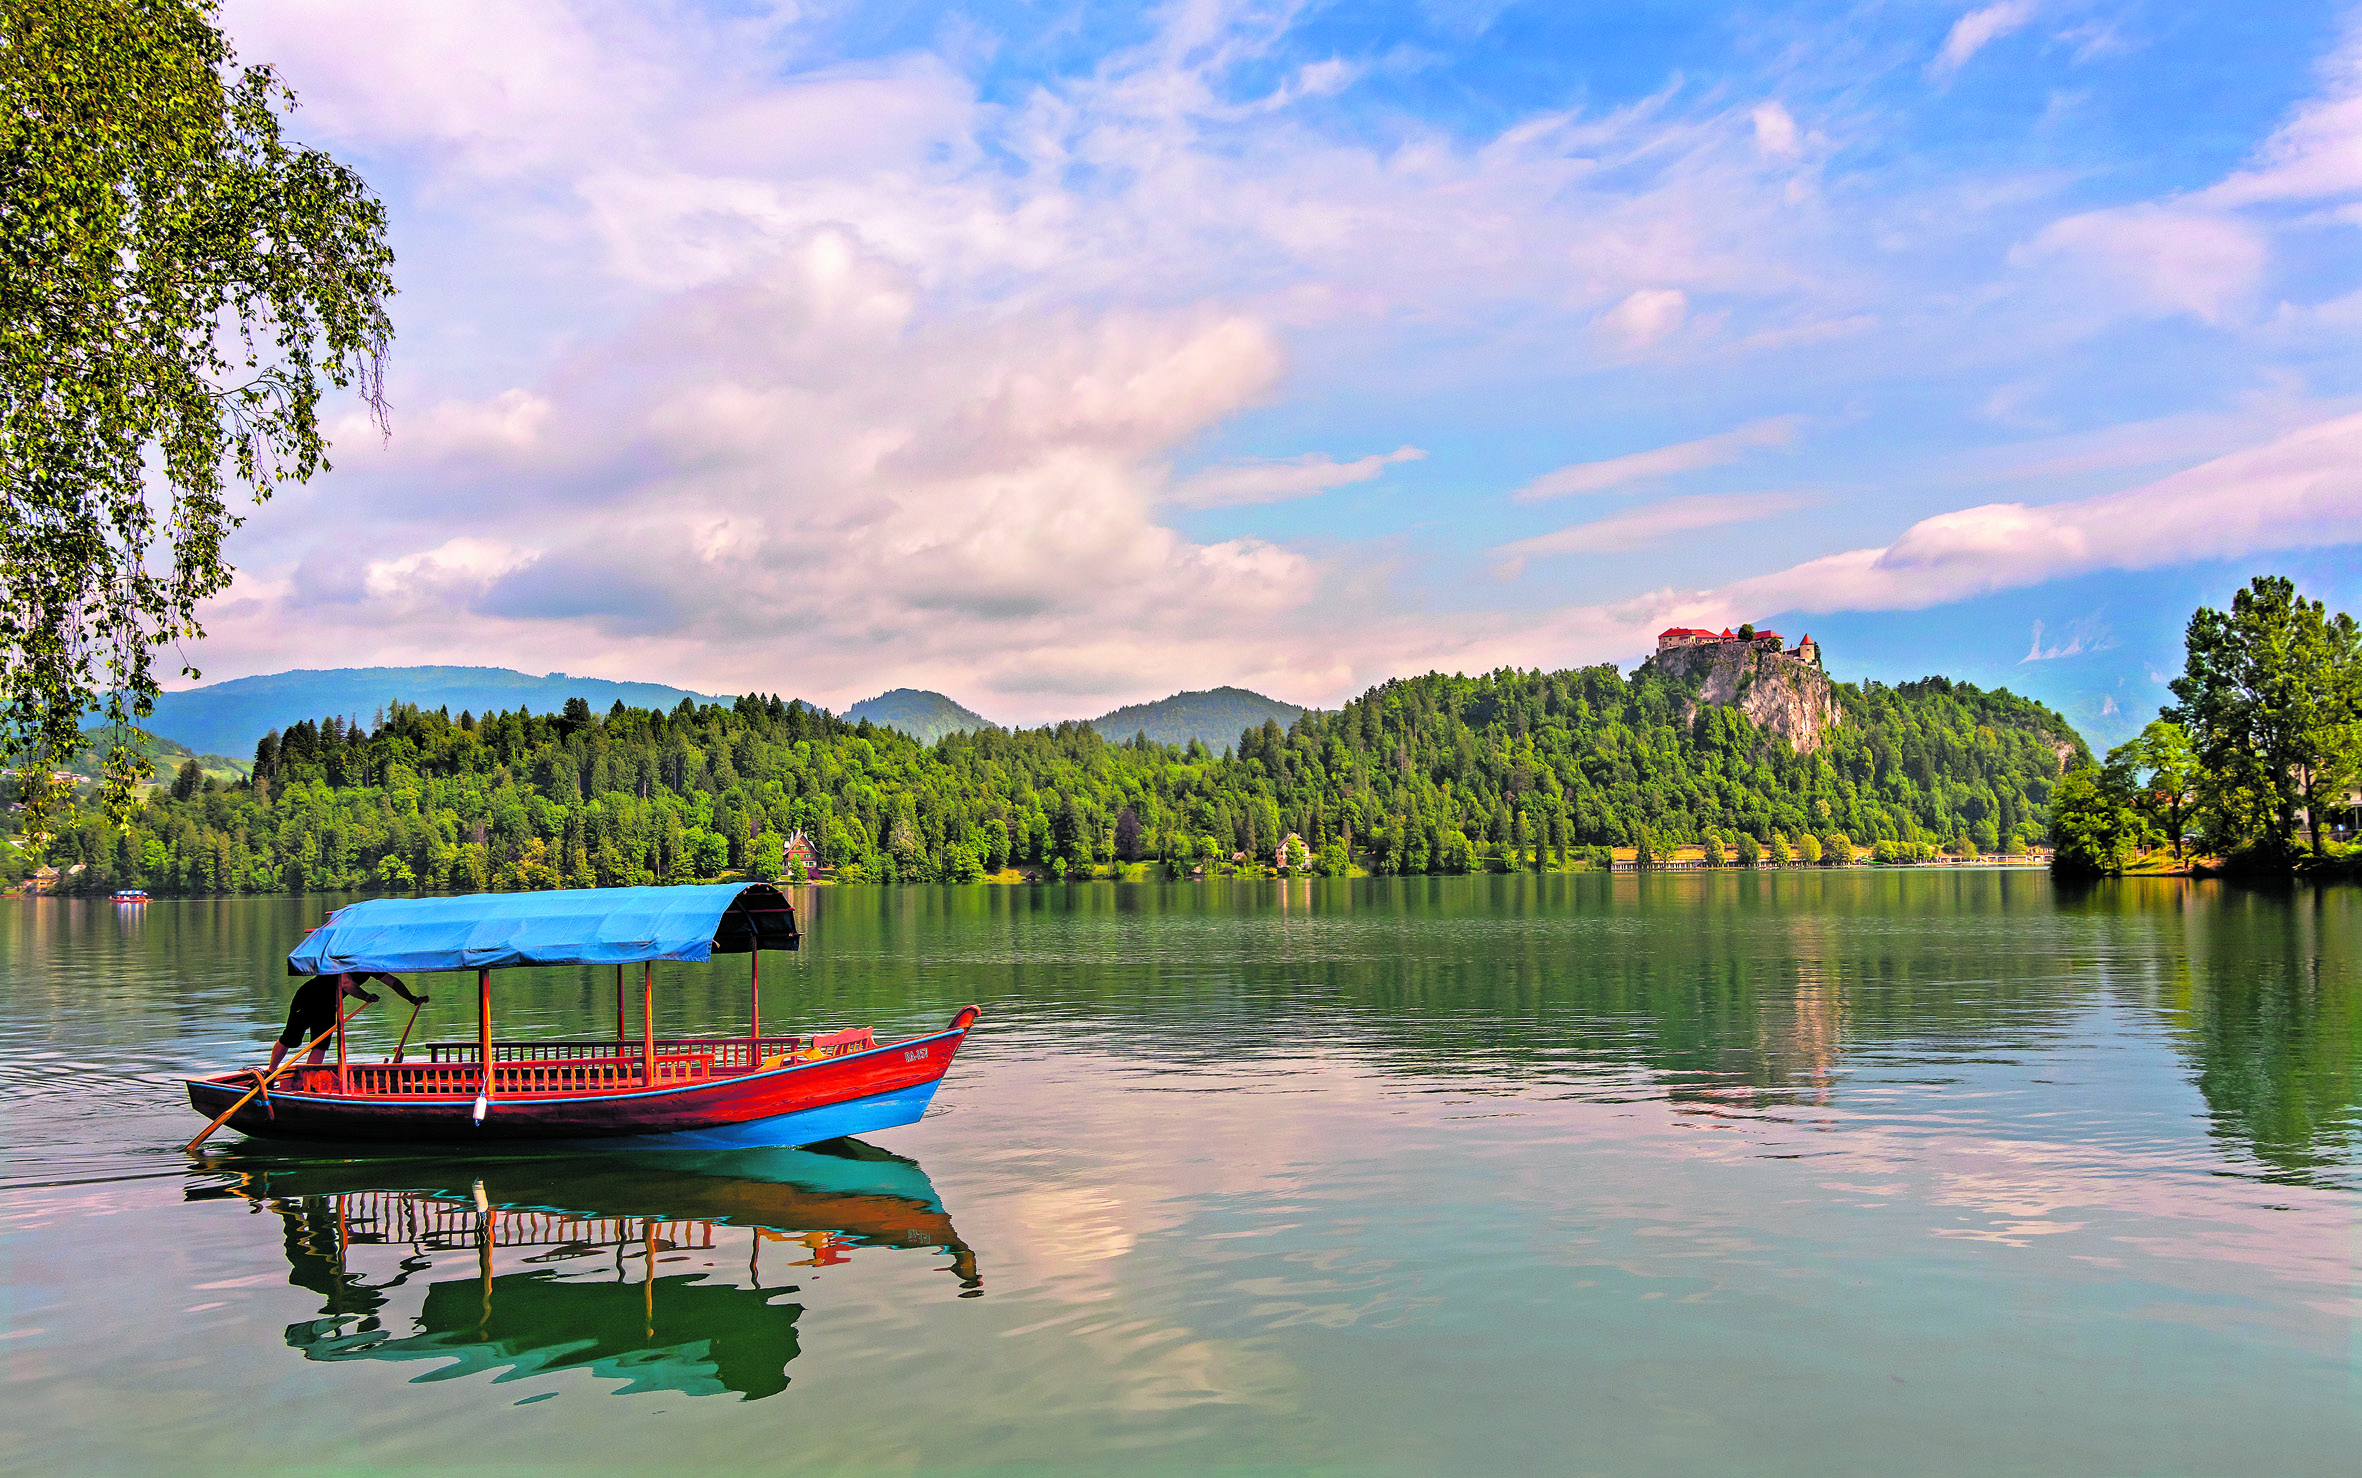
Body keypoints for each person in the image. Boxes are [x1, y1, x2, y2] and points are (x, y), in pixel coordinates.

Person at [268, 971, 428, 1073]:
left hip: (328, 1005)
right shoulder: (344, 958)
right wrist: (365, 996)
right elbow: (346, 984)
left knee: (320, 1046)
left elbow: (392, 982)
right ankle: (271, 1072)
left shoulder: (369, 964)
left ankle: (309, 1081)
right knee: (290, 1039)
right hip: (308, 999)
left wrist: (412, 998)